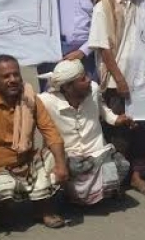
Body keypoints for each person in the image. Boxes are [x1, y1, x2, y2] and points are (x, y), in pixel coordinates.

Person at [0, 55, 70, 228]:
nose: (13, 80)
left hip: (27, 160)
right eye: (6, 76)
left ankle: (43, 209)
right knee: (2, 190)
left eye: (16, 74)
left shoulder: (30, 98)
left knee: (58, 155)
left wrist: (61, 165)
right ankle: (2, 208)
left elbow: (51, 133)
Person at [89, 0, 145, 197]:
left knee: (143, 131)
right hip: (116, 81)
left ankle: (138, 176)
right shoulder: (103, 6)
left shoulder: (139, 1)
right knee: (119, 132)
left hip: (141, 79)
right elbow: (103, 48)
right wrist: (119, 79)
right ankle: (116, 180)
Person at [38, 59, 132, 205]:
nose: (89, 80)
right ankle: (69, 194)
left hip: (96, 152)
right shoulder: (46, 101)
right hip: (68, 156)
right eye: (82, 79)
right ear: (67, 87)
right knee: (65, 169)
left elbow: (105, 111)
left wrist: (118, 119)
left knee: (121, 165)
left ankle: (96, 194)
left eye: (86, 76)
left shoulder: (93, 89)